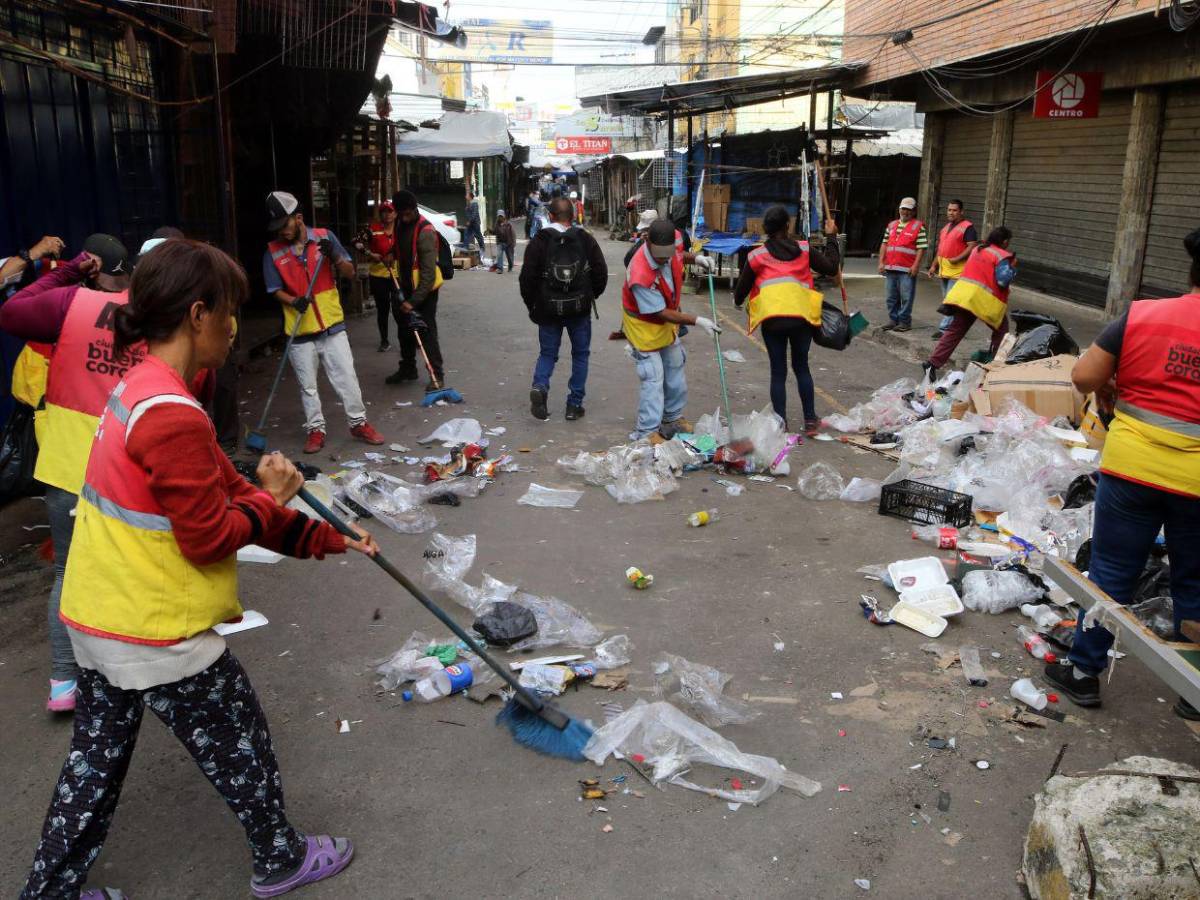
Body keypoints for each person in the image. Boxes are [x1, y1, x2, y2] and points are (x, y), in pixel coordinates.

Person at [18, 239, 378, 900]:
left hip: (99, 614)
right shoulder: (172, 414)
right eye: (230, 312)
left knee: (94, 764)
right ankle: (279, 859)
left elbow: (214, 480)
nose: (236, 326)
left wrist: (300, 518)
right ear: (196, 315)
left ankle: (50, 892)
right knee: (239, 741)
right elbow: (209, 535)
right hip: (156, 627)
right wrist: (270, 503)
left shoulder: (144, 385)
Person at [1042, 228, 1200, 719]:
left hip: (1131, 468)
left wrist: (1115, 385)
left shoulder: (1144, 314)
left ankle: (1084, 673)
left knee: (1111, 572)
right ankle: (1194, 693)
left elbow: (1083, 377)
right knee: (1195, 582)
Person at [0, 234, 135, 714]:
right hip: (124, 467)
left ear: (91, 266)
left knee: (68, 570)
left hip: (65, 464)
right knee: (127, 565)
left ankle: (63, 683)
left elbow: (12, 310)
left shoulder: (68, 304)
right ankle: (123, 673)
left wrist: (66, 270)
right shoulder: (148, 310)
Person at [262, 190, 384, 454]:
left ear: (299, 218)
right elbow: (274, 289)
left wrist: (335, 257)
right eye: (278, 228)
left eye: (285, 225)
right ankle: (315, 429)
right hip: (300, 331)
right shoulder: (272, 252)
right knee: (308, 387)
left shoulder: (325, 238)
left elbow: (350, 272)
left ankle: (358, 423)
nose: (282, 232)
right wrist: (292, 301)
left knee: (347, 378)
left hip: (332, 326)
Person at [733, 205, 841, 434]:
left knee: (778, 371)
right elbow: (831, 268)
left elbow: (740, 291)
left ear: (765, 229)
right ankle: (810, 421)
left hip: (773, 321)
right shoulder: (804, 249)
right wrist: (832, 236)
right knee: (802, 367)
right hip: (801, 319)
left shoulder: (756, 255)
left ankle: (780, 424)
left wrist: (738, 301)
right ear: (787, 226)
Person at [622, 218, 721, 441]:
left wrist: (697, 258)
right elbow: (660, 312)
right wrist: (697, 320)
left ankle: (672, 418)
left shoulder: (671, 245)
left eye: (668, 255)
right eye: (660, 257)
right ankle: (647, 433)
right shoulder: (640, 272)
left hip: (666, 323)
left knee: (675, 366)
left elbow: (678, 255)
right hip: (643, 325)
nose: (665, 260)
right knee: (653, 376)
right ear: (647, 242)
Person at [520, 197, 608, 422]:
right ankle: (574, 405)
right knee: (580, 355)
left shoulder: (539, 241)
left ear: (550, 216)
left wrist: (533, 305)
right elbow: (600, 272)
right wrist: (590, 296)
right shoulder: (585, 239)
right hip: (579, 310)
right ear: (572, 216)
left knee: (547, 353)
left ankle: (540, 387)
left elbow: (527, 278)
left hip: (548, 310)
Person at [923, 226, 1017, 380]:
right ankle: (996, 367)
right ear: (1005, 242)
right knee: (1002, 332)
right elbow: (1003, 280)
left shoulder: (978, 249)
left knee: (954, 331)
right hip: (984, 301)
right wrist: (1012, 268)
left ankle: (932, 364)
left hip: (965, 297)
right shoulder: (1002, 256)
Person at [385, 189, 446, 390]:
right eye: (401, 213)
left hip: (425, 291)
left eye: (408, 213)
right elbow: (399, 248)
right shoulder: (401, 225)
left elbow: (428, 275)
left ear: (414, 209)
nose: (404, 216)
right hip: (404, 287)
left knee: (426, 331)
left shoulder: (425, 232)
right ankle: (408, 368)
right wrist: (390, 254)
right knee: (404, 331)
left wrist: (413, 301)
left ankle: (437, 376)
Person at [927, 199, 978, 338]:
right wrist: (933, 265)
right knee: (947, 299)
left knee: (951, 300)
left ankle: (945, 330)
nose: (951, 212)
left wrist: (958, 258)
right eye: (949, 210)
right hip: (945, 270)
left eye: (954, 210)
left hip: (958, 271)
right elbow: (941, 249)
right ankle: (955, 328)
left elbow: (972, 246)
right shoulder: (945, 228)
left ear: (961, 211)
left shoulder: (968, 227)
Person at [878, 196, 928, 332]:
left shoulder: (918, 226)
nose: (905, 212)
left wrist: (916, 265)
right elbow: (884, 244)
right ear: (899, 209)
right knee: (891, 297)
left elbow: (921, 248)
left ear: (913, 212)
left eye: (908, 210)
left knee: (906, 297)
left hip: (907, 268)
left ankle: (904, 322)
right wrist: (881, 262)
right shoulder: (892, 225)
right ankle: (893, 320)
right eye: (903, 209)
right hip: (890, 267)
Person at [361, 198, 400, 352]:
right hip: (378, 275)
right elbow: (355, 241)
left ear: (395, 213)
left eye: (390, 211)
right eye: (383, 211)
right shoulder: (372, 229)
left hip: (398, 275)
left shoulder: (401, 229)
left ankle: (408, 339)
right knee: (382, 309)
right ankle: (384, 341)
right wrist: (370, 253)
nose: (387, 214)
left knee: (401, 309)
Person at [493, 210, 516, 275]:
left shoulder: (508, 224)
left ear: (504, 216)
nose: (500, 218)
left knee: (510, 257)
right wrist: (489, 231)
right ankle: (500, 269)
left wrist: (513, 243)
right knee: (499, 254)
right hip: (500, 242)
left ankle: (510, 266)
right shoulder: (497, 224)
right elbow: (495, 232)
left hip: (508, 243)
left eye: (501, 216)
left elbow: (513, 234)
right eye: (499, 216)